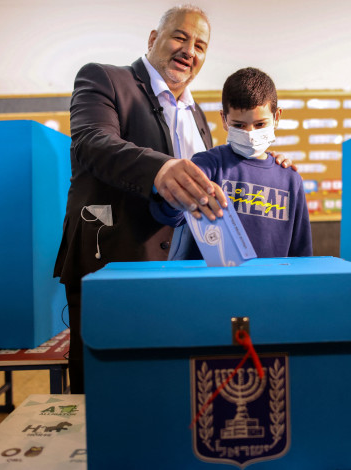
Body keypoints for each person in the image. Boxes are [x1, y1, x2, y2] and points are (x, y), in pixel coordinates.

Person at [54, 6, 297, 393]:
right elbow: (92, 142)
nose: (190, 50)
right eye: (180, 37)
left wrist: (270, 162)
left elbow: (216, 176)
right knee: (107, 393)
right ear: (153, 39)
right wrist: (159, 169)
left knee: (165, 391)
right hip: (117, 266)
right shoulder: (105, 79)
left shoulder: (199, 114)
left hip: (182, 277)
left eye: (200, 45)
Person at [151, 67, 313, 260]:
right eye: (239, 125)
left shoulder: (290, 178)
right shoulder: (208, 165)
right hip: (214, 284)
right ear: (224, 119)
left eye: (260, 124)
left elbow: (301, 251)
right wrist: (174, 196)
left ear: (276, 117)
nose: (250, 133)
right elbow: (169, 214)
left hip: (270, 285)